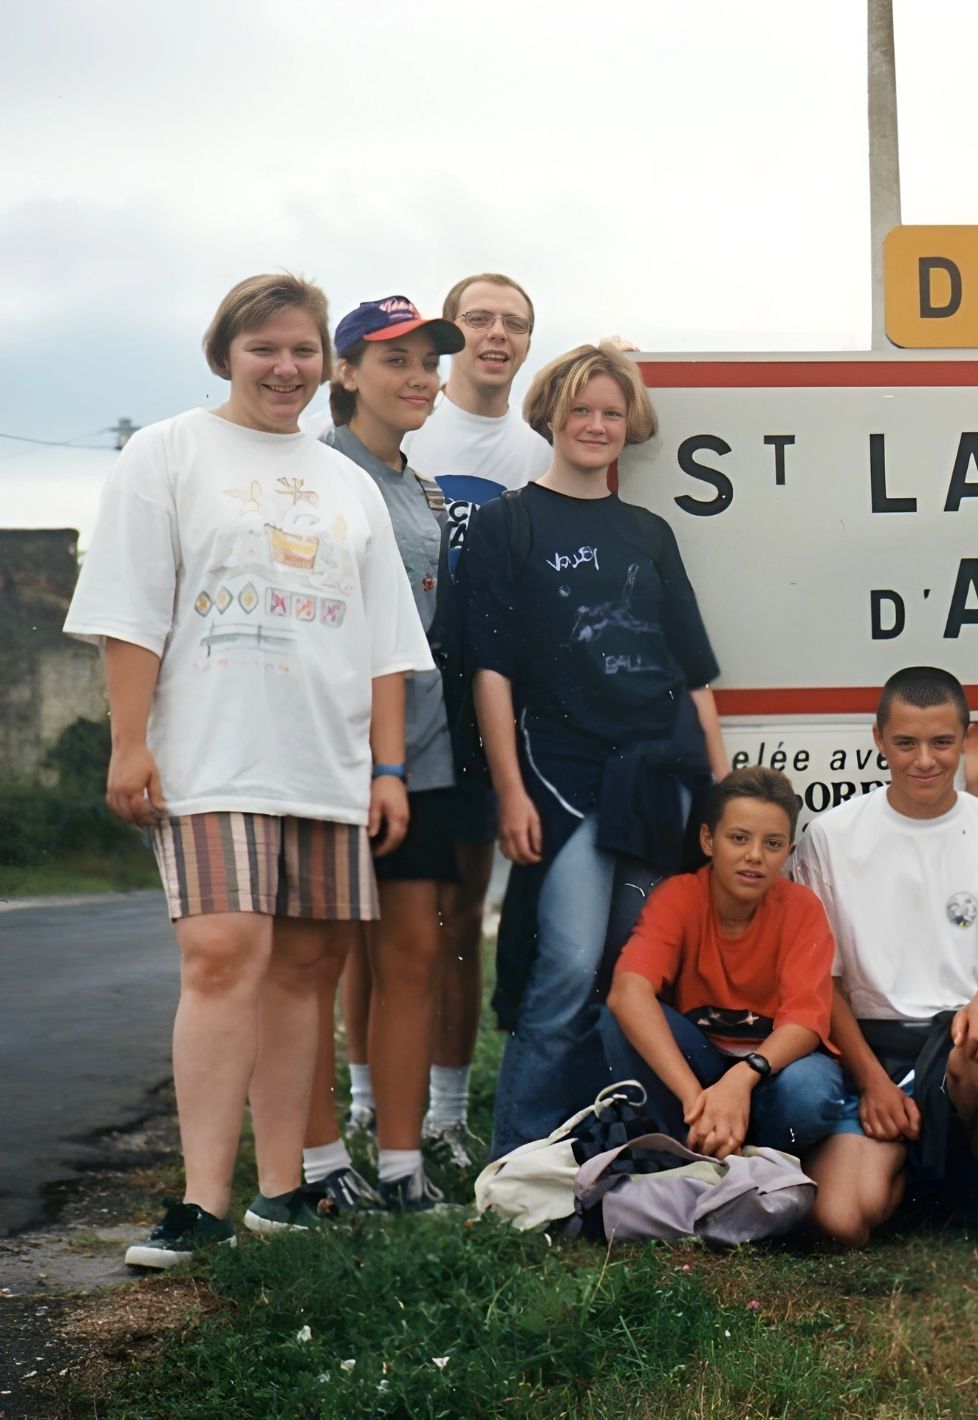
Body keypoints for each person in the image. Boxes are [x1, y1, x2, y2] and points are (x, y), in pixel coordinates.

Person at [63, 274, 433, 1266]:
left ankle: (286, 1191)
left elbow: (386, 644)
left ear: (327, 364)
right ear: (225, 351)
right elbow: (132, 608)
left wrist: (387, 768)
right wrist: (129, 739)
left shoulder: (344, 479)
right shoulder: (169, 453)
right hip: (214, 757)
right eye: (264, 348)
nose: (285, 368)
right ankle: (200, 1200)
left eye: (302, 350)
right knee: (223, 953)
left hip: (325, 759)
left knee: (306, 971)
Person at [464, 341, 728, 1159]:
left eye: (612, 412)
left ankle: (615, 1159)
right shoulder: (509, 522)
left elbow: (696, 673)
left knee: (634, 979)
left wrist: (720, 792)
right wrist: (511, 792)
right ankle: (517, 1166)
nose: (597, 425)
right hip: (565, 780)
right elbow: (491, 671)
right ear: (551, 414)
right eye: (582, 409)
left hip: (659, 781)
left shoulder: (649, 533)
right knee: (569, 967)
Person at [292, 296, 470, 1213]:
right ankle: (320, 1166)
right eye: (396, 361)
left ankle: (401, 1166)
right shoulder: (315, 472)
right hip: (330, 753)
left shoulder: (420, 487)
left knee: (413, 956)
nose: (419, 379)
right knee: (313, 962)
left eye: (430, 363)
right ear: (347, 372)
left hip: (423, 753)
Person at [789, 667, 978, 1245]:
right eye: (905, 743)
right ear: (878, 739)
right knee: (840, 1219)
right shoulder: (830, 838)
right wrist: (873, 1082)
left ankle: (975, 1180)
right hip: (864, 1048)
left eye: (941, 743)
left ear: (964, 738)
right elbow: (820, 986)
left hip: (953, 1045)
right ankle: (911, 1169)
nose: (924, 760)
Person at [410, 273, 554, 1158]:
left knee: (461, 913)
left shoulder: (539, 447)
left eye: (515, 323)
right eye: (481, 319)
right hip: (399, 692)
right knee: (380, 914)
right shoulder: (411, 423)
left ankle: (445, 1115)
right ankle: (362, 1102)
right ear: (453, 333)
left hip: (491, 704)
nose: (497, 334)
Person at [599, 767, 853, 1168]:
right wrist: (696, 1099)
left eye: (772, 843)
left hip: (771, 1074)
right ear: (708, 840)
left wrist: (741, 1081)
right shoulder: (679, 898)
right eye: (738, 838)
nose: (754, 855)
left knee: (812, 1090)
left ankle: (751, 1159)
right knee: (618, 1020)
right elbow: (627, 991)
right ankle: (687, 1145)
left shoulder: (801, 909)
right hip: (699, 1071)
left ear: (787, 851)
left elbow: (805, 1022)